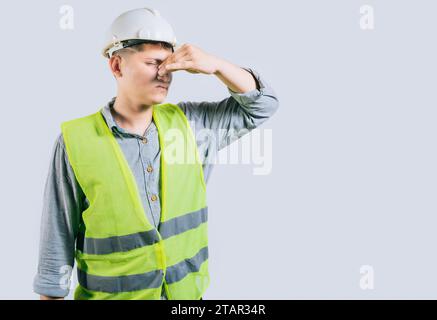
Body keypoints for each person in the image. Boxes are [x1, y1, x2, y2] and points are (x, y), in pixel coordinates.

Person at [34, 7, 279, 300]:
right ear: (116, 66)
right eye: (153, 63)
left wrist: (214, 65)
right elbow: (57, 238)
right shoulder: (76, 141)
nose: (165, 73)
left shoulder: (192, 125)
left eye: (169, 64)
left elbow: (262, 106)